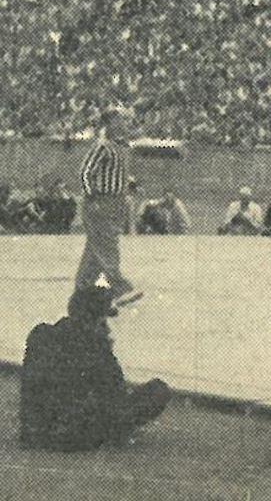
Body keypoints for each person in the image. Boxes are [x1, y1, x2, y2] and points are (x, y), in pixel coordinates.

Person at [19, 285, 170, 451]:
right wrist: (106, 351)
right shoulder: (97, 347)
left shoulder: (41, 334)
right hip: (75, 436)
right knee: (158, 390)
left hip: (34, 432)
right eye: (104, 320)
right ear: (96, 320)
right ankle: (117, 435)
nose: (107, 326)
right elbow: (115, 396)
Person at [74, 113, 139, 308]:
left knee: (96, 249)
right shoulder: (103, 146)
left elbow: (115, 176)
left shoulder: (123, 148)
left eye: (123, 122)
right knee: (107, 245)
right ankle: (120, 289)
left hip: (117, 203)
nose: (122, 125)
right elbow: (85, 172)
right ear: (108, 125)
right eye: (117, 122)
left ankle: (82, 290)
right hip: (100, 202)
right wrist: (92, 197)